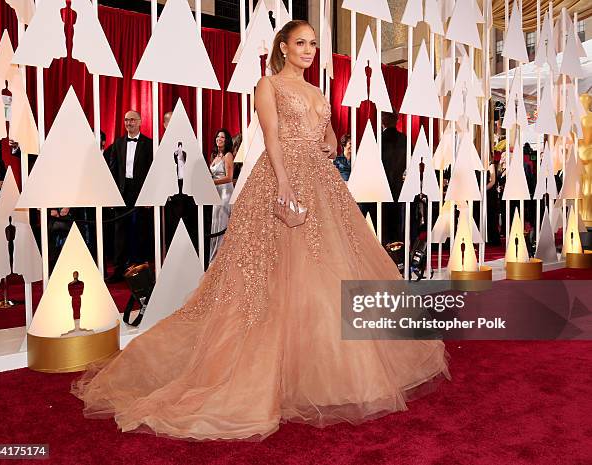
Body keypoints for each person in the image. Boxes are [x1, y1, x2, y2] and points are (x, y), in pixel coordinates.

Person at [72, 20, 449, 441]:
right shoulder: (268, 85)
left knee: (323, 272)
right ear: (284, 48)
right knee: (262, 277)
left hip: (322, 186)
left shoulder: (318, 93)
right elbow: (271, 137)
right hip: (278, 180)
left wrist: (327, 141)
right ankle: (255, 371)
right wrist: (285, 182)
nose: (308, 50)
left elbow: (328, 136)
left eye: (312, 44)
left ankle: (316, 368)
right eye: (301, 43)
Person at [104, 111, 153, 282]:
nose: (129, 123)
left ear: (140, 122)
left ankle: (139, 269)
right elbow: (113, 169)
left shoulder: (149, 144)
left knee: (140, 230)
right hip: (122, 191)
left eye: (132, 120)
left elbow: (152, 172)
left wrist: (149, 195)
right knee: (120, 232)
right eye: (126, 120)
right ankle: (119, 269)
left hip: (140, 192)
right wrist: (112, 194)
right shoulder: (118, 143)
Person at [162, 111, 199, 253]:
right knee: (172, 228)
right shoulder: (161, 145)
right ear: (165, 125)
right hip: (171, 194)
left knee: (190, 228)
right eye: (170, 122)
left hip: (189, 192)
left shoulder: (190, 142)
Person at [208, 128, 234, 262]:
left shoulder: (228, 155)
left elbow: (229, 177)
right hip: (216, 193)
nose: (219, 139)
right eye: (218, 136)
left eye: (222, 137)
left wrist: (211, 182)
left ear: (227, 140)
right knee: (215, 223)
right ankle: (214, 260)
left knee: (223, 224)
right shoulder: (214, 156)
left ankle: (222, 260)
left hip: (225, 193)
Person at [381, 113, 407, 245]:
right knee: (397, 224)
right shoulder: (405, 140)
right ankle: (398, 254)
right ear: (397, 120)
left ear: (382, 120)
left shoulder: (377, 139)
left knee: (382, 224)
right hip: (398, 187)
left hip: (380, 187)